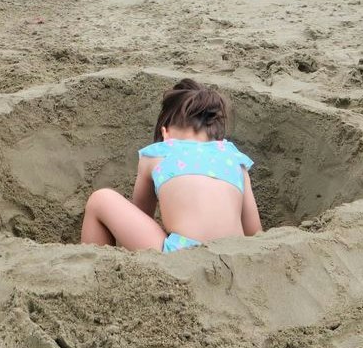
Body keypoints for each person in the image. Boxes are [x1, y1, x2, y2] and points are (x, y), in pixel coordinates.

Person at [79, 79, 263, 252]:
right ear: (218, 138)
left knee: (100, 199)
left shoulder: (157, 153)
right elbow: (255, 233)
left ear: (165, 133)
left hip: (183, 252)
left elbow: (142, 214)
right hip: (234, 255)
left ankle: (94, 272)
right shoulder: (236, 159)